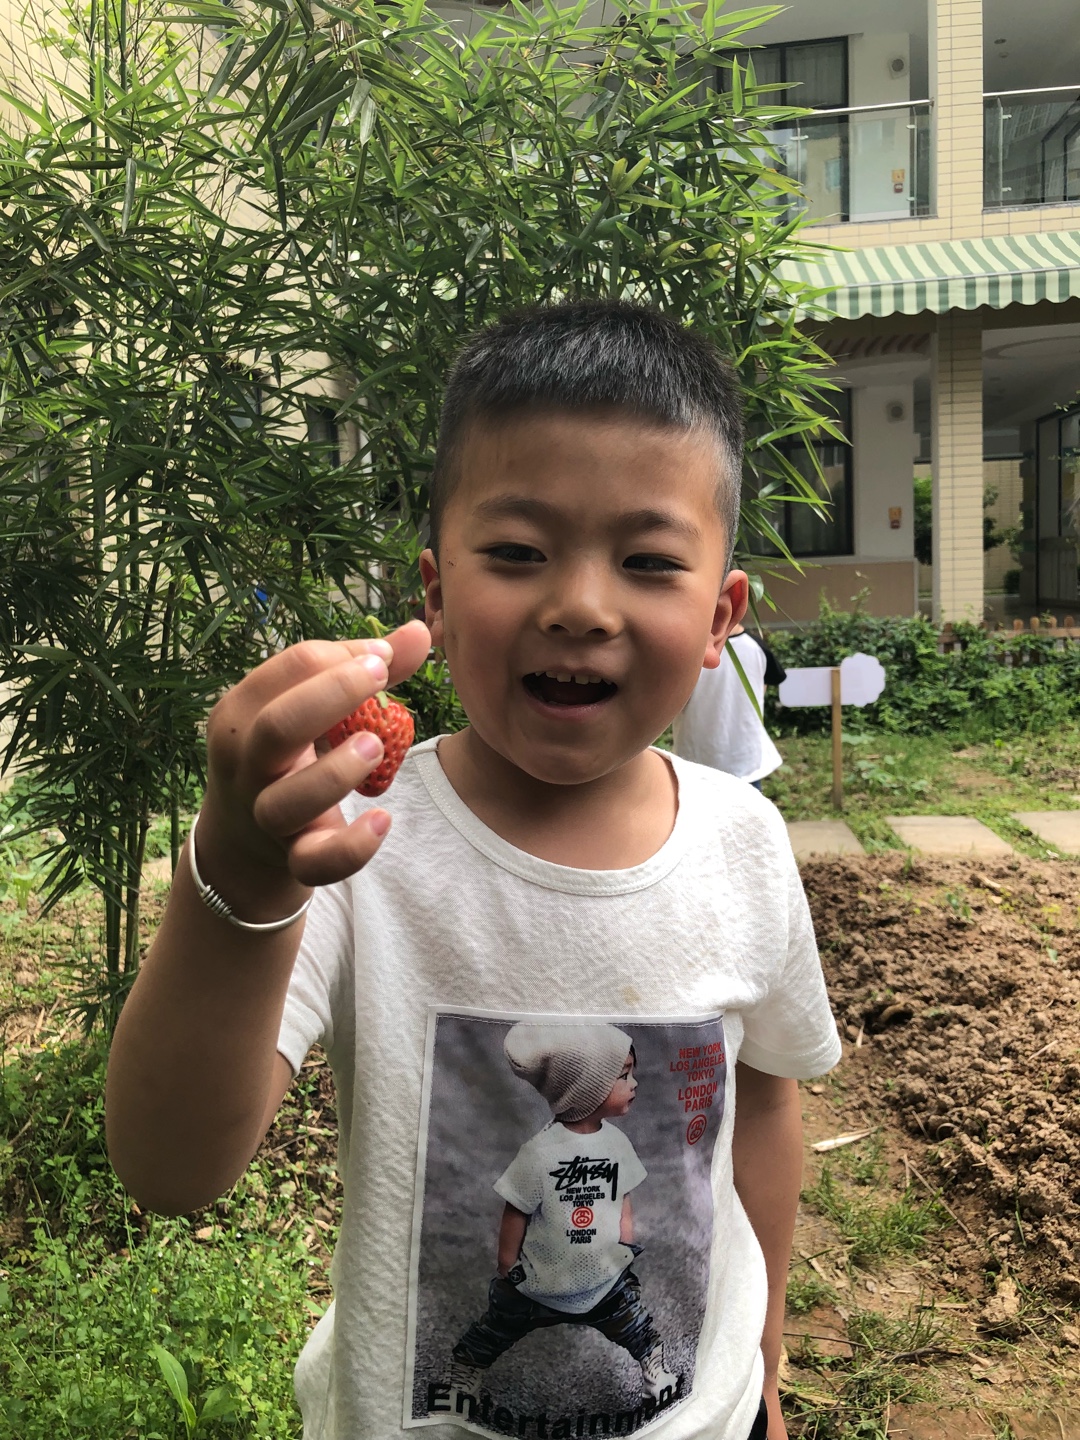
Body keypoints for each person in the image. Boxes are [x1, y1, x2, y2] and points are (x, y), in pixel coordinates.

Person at [105, 300, 841, 1440]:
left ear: (720, 616)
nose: (580, 606)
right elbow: (168, 1168)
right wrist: (241, 876)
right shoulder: (357, 842)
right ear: (437, 597)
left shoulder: (744, 841)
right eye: (516, 553)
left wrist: (767, 1350)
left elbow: (764, 1107)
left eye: (649, 562)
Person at [448, 1024, 677, 1406]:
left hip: (602, 1276)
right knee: (499, 1325)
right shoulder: (541, 1152)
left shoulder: (616, 1143)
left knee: (633, 1323)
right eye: (623, 1075)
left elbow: (622, 1196)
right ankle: (465, 1371)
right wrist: (508, 1264)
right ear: (586, 1091)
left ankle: (654, 1369)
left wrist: (625, 1243)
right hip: (540, 1277)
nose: (634, 1083)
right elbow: (516, 1209)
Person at [672, 625, 787, 789]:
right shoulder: (756, 647)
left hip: (695, 758)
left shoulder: (686, 648)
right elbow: (763, 685)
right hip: (745, 757)